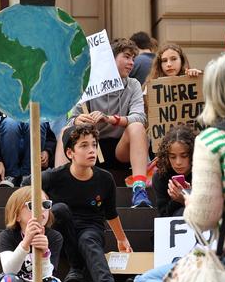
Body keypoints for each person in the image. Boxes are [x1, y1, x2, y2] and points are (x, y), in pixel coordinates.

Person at [134, 52, 225, 282]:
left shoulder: (214, 142)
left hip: (222, 256)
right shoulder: (164, 174)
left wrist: (187, 200)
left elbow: (204, 216)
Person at [23, 124, 132, 282]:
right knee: (60, 209)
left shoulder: (105, 179)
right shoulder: (54, 176)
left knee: (87, 239)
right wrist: (42, 203)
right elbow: (26, 185)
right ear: (70, 152)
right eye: (84, 145)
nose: (91, 150)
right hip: (62, 233)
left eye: (93, 144)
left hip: (91, 230)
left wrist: (121, 239)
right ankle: (75, 266)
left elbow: (111, 213)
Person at [55, 38, 152, 208]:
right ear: (110, 59)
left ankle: (139, 190)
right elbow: (71, 119)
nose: (131, 63)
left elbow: (140, 118)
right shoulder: (88, 83)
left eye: (133, 59)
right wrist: (78, 120)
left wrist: (110, 119)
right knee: (65, 130)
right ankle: (60, 191)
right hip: (92, 148)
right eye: (127, 57)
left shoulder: (133, 84)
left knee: (136, 127)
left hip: (120, 151)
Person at [152, 125, 196, 217]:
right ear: (166, 157)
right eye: (172, 157)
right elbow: (163, 215)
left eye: (184, 156)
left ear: (193, 154)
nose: (178, 162)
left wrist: (187, 198)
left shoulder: (204, 173)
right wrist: (177, 201)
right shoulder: (160, 177)